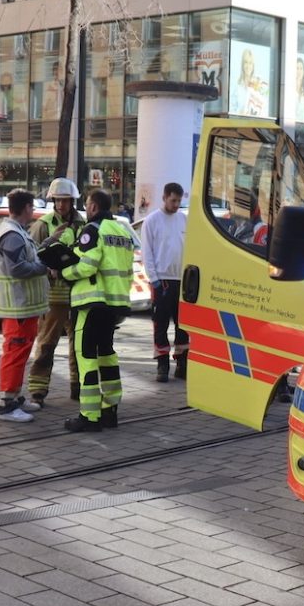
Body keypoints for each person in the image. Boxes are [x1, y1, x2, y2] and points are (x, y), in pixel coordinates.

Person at [61, 189, 135, 432]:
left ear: (93, 206)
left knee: (86, 358)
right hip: (114, 305)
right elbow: (127, 269)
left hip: (91, 304)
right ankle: (109, 411)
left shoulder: (92, 230)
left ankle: (89, 416)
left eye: (87, 204)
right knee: (106, 356)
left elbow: (87, 266)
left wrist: (64, 272)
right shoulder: (122, 232)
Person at [0, 189, 50, 423]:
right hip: (17, 306)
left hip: (22, 307)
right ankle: (7, 405)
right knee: (15, 353)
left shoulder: (16, 231)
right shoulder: (12, 234)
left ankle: (14, 397)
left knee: (20, 353)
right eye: (32, 207)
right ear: (27, 208)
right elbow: (18, 268)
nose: (33, 211)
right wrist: (43, 268)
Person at [26, 177, 85, 407]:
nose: (61, 205)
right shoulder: (43, 225)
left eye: (65, 200)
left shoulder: (83, 225)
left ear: (72, 201)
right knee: (46, 345)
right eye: (58, 200)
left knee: (79, 346)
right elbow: (31, 256)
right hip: (53, 297)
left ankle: (78, 387)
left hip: (78, 294)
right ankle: (37, 391)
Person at [141, 182, 189, 383]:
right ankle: (162, 365)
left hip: (182, 280)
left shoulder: (184, 220)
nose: (176, 204)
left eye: (179, 201)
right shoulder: (152, 221)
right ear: (164, 198)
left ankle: (182, 363)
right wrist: (154, 279)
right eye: (173, 200)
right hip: (162, 280)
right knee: (160, 325)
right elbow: (147, 253)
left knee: (183, 325)